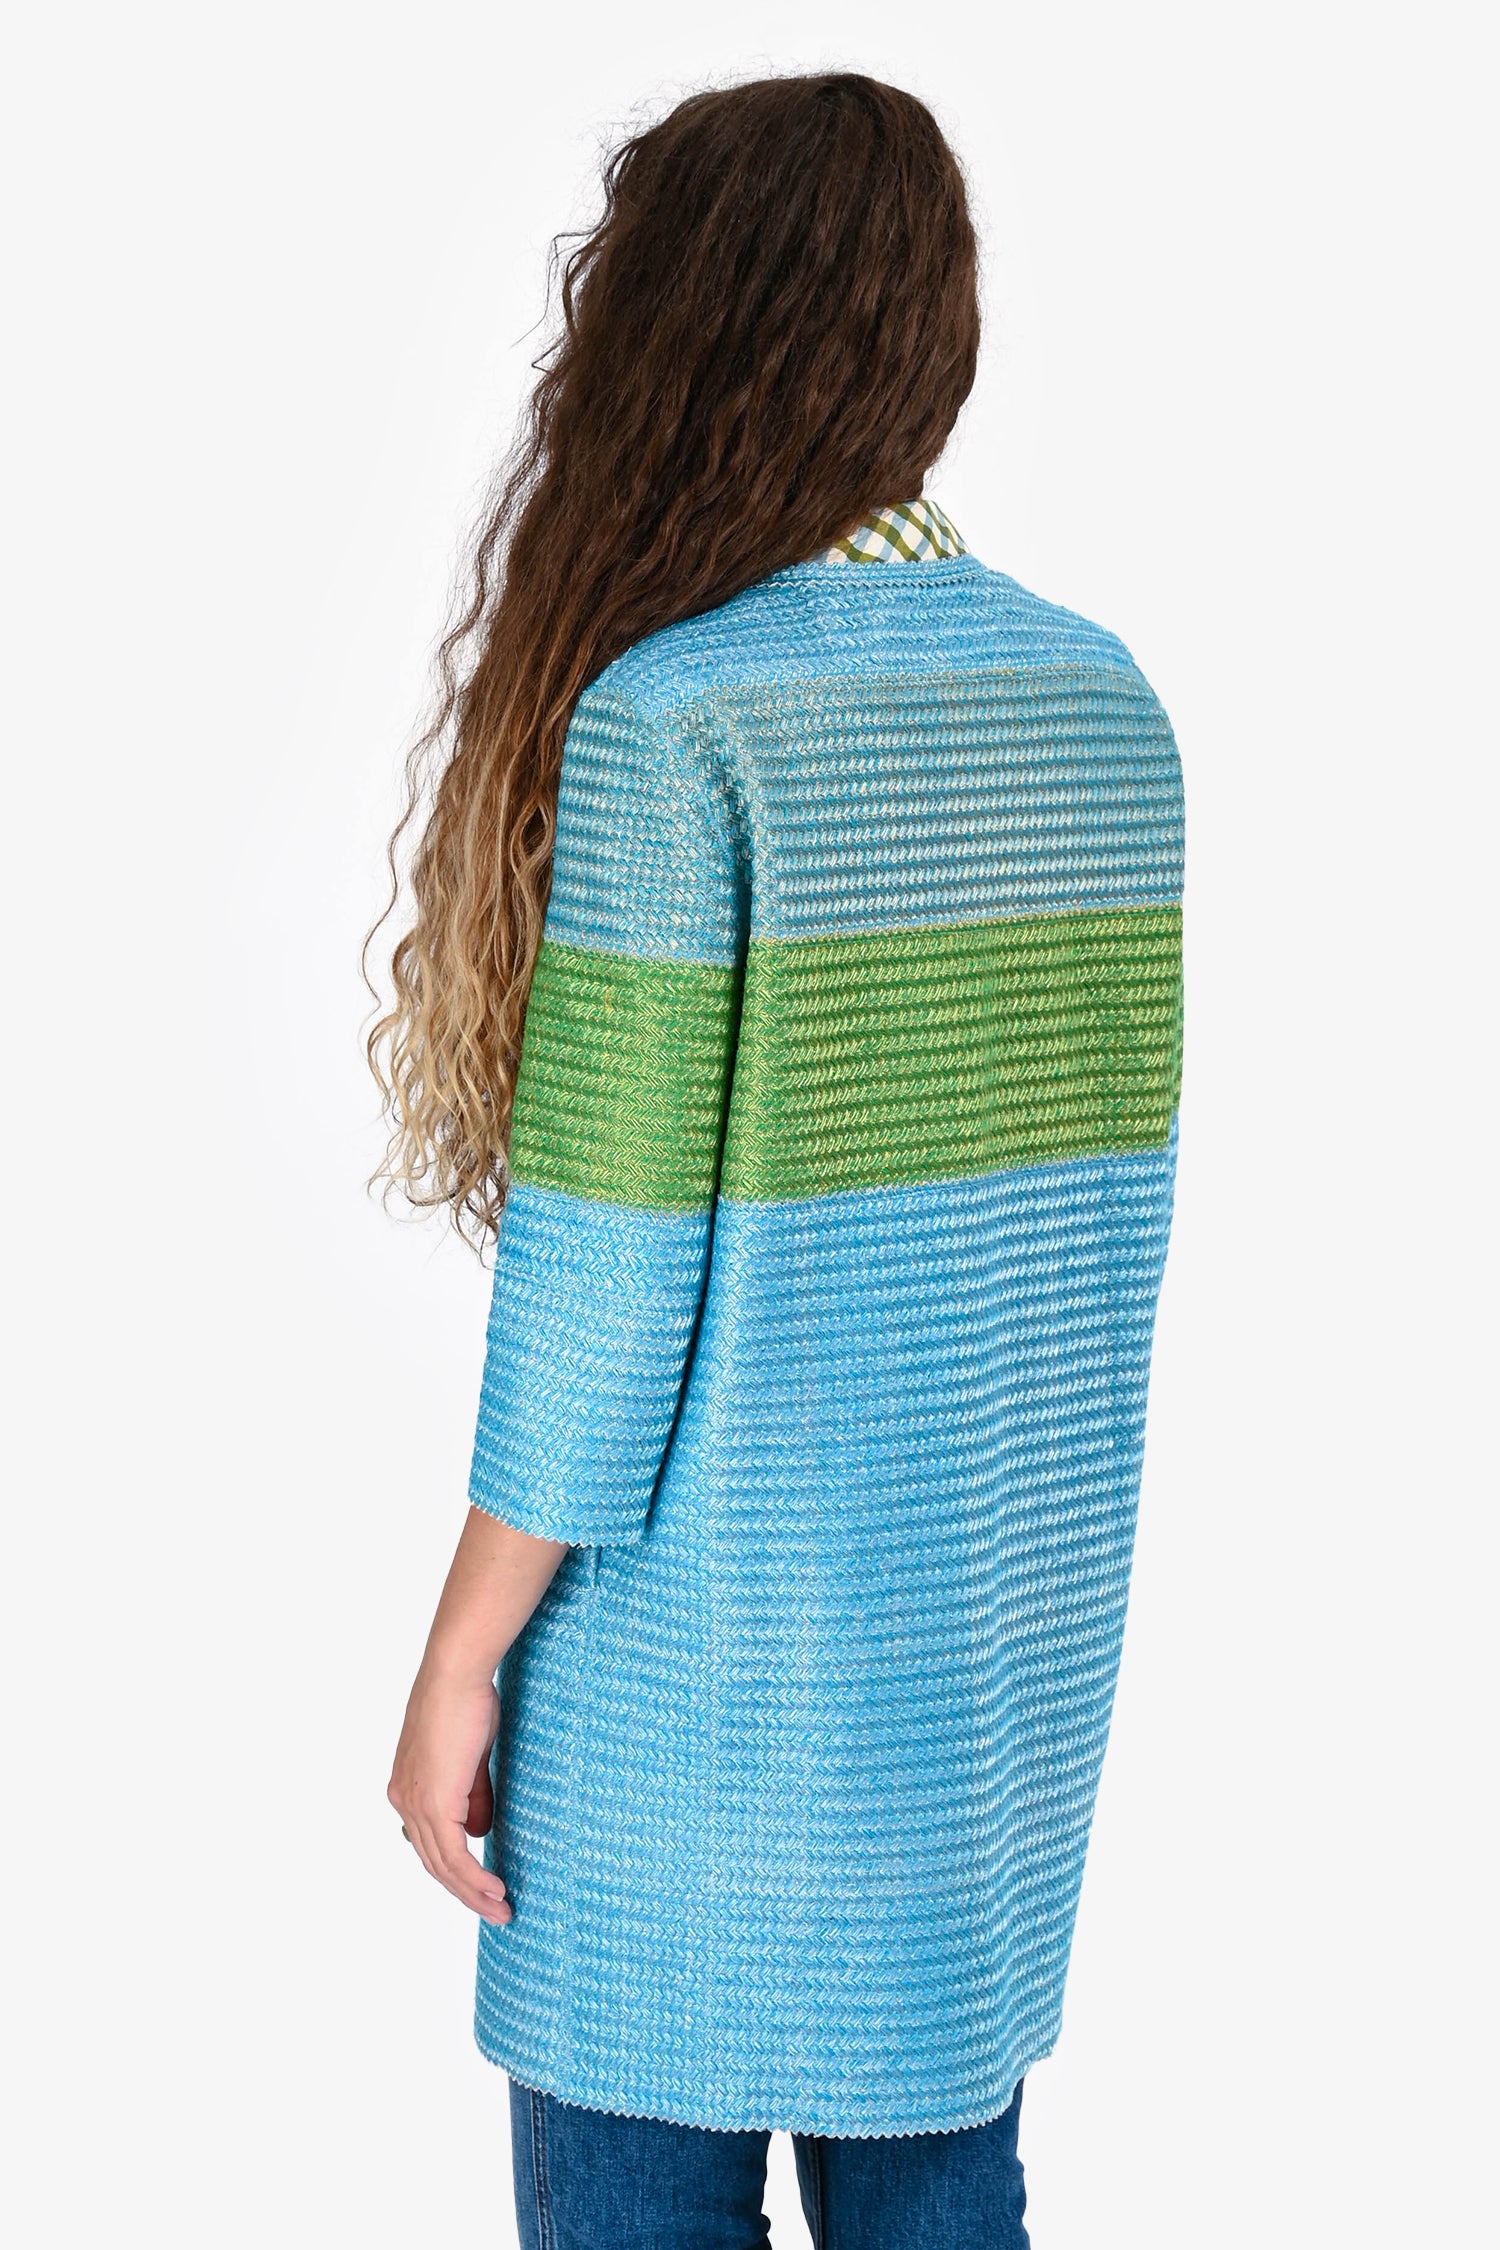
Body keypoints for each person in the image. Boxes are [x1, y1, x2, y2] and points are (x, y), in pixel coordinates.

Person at [373, 70, 1183, 2250]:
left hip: (697, 1728)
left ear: (675, 332)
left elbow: (603, 1288)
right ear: (931, 332)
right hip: (986, 1691)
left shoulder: (679, 723)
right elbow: (1082, 1255)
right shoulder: (1104, 709)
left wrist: (457, 1659)